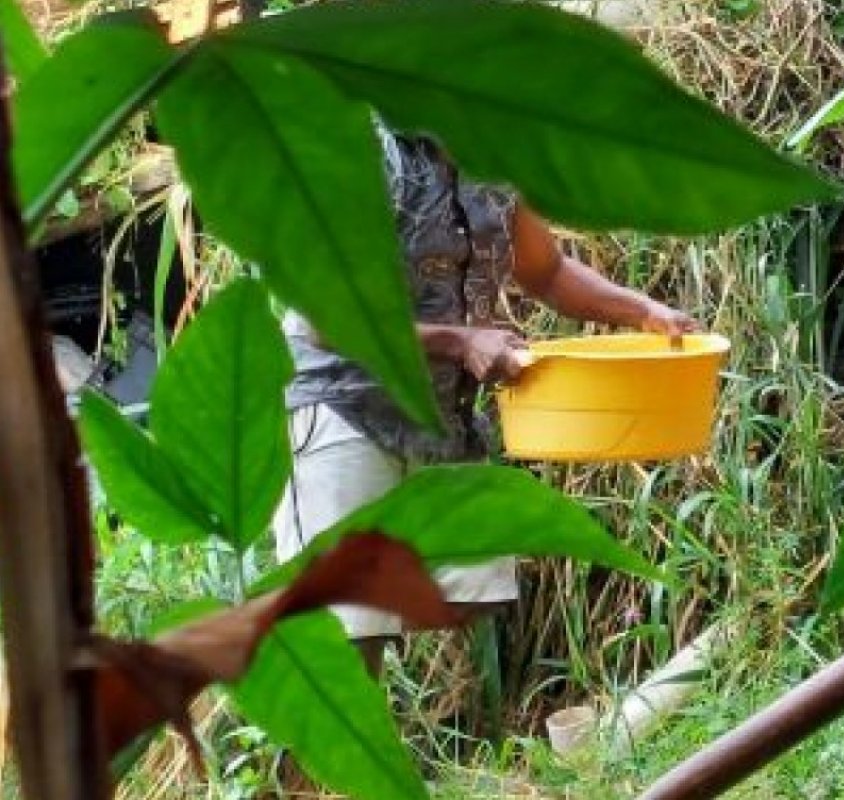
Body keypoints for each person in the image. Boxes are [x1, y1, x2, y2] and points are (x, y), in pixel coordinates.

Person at [270, 129, 697, 686]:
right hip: (340, 407)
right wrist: (460, 341)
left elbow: (547, 271)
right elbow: (324, 317)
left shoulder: (492, 164)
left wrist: (643, 311)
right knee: (345, 636)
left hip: (438, 420)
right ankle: (313, 765)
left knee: (477, 592)